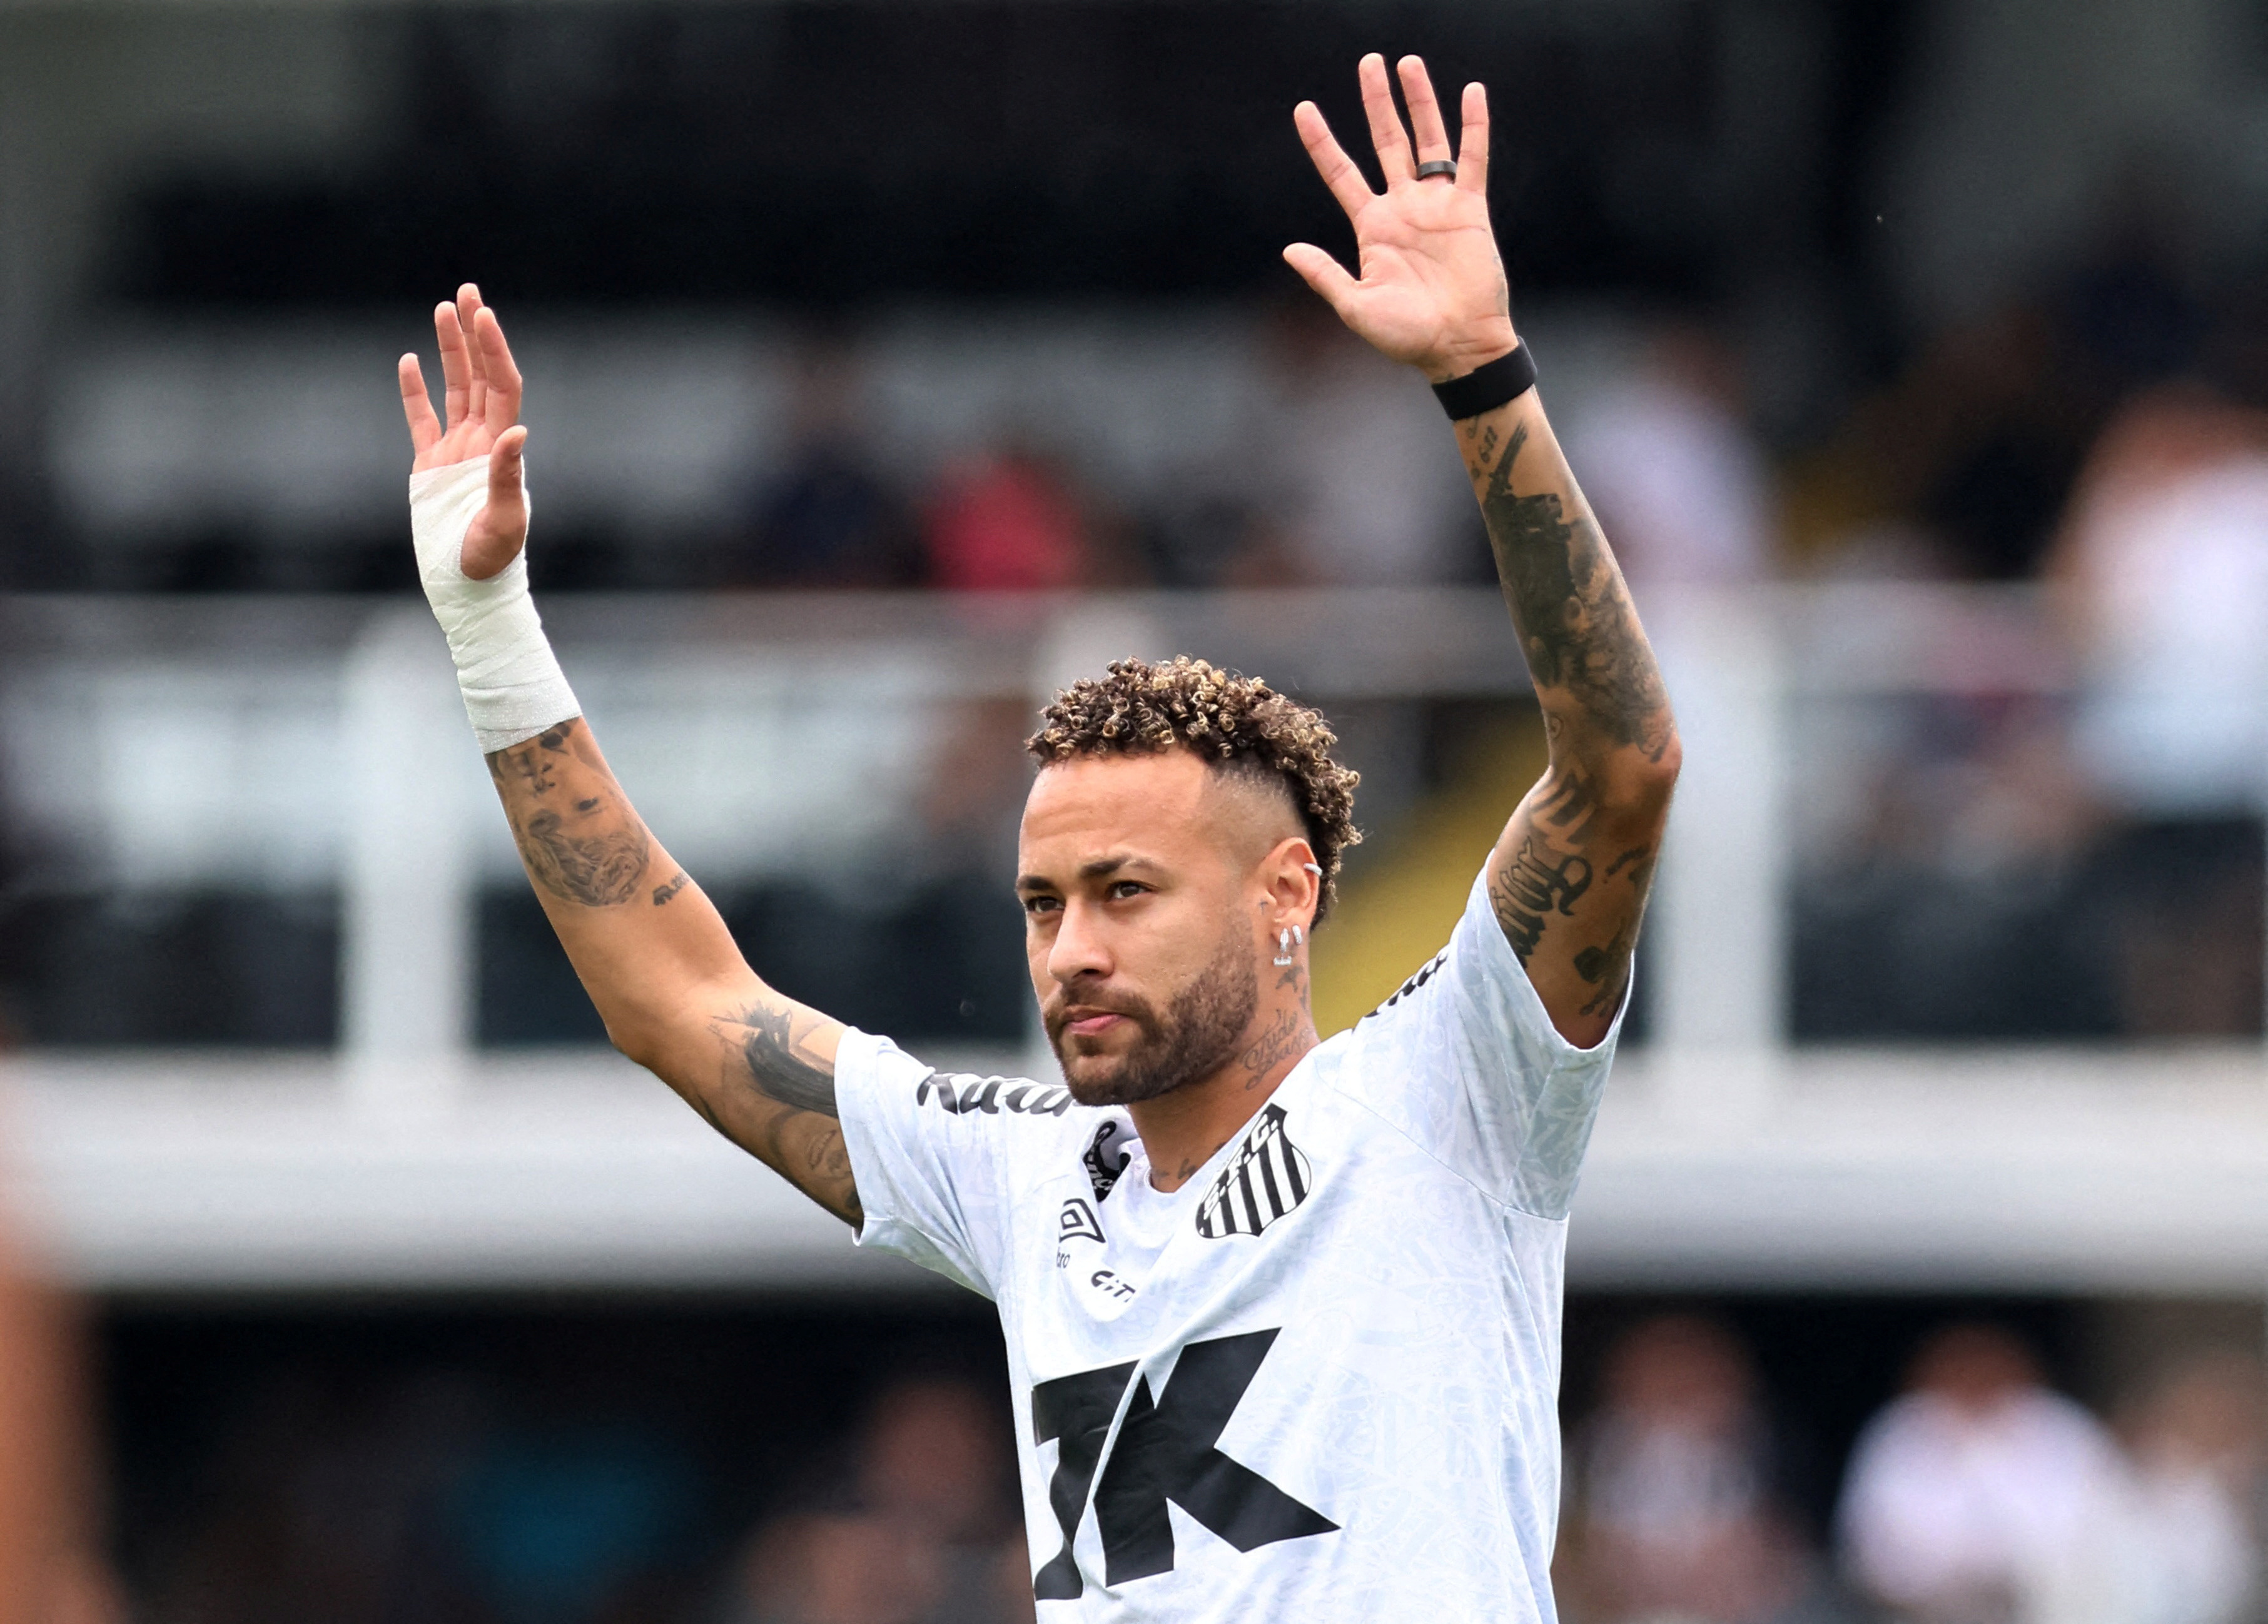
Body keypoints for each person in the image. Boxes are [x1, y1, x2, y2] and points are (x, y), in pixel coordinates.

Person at [391, 52, 1678, 1621]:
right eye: (1042, 901)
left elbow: (1619, 771)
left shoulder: (1447, 1092)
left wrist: (1482, 379)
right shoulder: (1024, 1179)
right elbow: (676, 1000)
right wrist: (483, 620)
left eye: (1125, 891)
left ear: (1289, 892)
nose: (1070, 948)